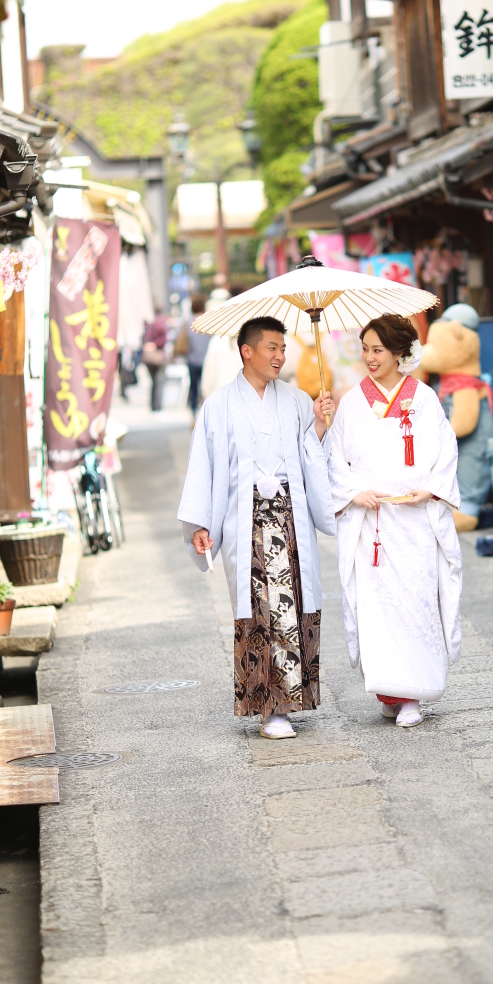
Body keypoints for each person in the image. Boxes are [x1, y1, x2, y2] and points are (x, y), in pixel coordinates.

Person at [178, 316, 336, 740]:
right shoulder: (218, 405)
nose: (280, 356)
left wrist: (320, 424)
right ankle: (270, 707)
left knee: (292, 603)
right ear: (247, 351)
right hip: (245, 518)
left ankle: (288, 701)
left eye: (283, 348)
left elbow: (311, 456)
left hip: (288, 515)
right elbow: (204, 468)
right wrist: (201, 523)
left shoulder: (299, 400)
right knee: (260, 608)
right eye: (271, 347)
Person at [328, 314, 462, 728]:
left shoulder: (422, 397)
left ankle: (413, 696)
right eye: (365, 349)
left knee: (416, 602)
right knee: (378, 608)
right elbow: (336, 457)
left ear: (400, 353)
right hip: (374, 521)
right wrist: (353, 491)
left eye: (378, 350)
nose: (369, 357)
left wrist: (433, 488)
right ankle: (389, 690)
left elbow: (445, 448)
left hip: (415, 518)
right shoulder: (350, 403)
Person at [175, 293, 211, 411]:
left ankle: (194, 413)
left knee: (194, 388)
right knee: (206, 388)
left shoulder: (189, 322)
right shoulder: (209, 321)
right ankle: (205, 410)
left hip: (192, 360)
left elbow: (182, 339)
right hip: (206, 360)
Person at [142, 310, 168, 412]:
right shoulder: (160, 322)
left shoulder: (147, 323)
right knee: (159, 382)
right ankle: (157, 407)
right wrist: (156, 344)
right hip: (158, 354)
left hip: (149, 354)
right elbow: (164, 339)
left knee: (154, 382)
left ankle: (153, 406)